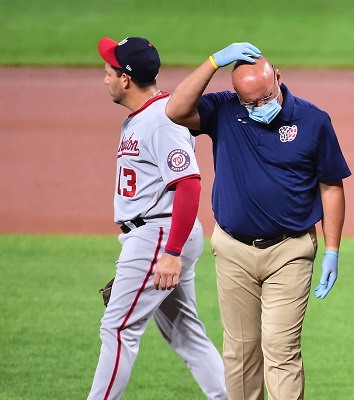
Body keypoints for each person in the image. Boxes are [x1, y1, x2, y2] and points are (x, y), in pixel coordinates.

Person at [165, 43, 350, 400]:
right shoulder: (223, 110)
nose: (260, 108)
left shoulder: (313, 120)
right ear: (236, 95)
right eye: (250, 103)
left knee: (280, 351)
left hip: (290, 250)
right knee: (240, 353)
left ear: (278, 77)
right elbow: (175, 109)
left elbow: (331, 186)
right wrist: (213, 61)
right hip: (233, 250)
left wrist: (333, 250)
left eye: (266, 97)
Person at [89, 36, 227, 400]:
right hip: (155, 232)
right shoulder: (143, 117)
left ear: (125, 79)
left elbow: (189, 184)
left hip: (161, 231)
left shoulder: (161, 120)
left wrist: (170, 252)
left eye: (109, 71)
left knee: (118, 330)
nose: (104, 77)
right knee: (185, 332)